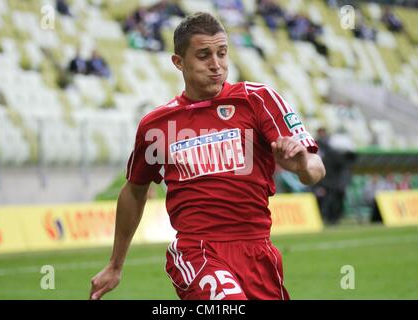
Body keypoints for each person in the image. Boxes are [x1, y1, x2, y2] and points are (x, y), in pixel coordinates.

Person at [89, 12, 325, 300]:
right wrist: (115, 265)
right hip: (196, 252)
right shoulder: (157, 125)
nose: (216, 65)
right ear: (179, 62)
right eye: (204, 55)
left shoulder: (257, 100)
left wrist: (301, 164)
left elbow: (315, 169)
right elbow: (135, 191)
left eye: (222, 53)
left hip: (257, 251)